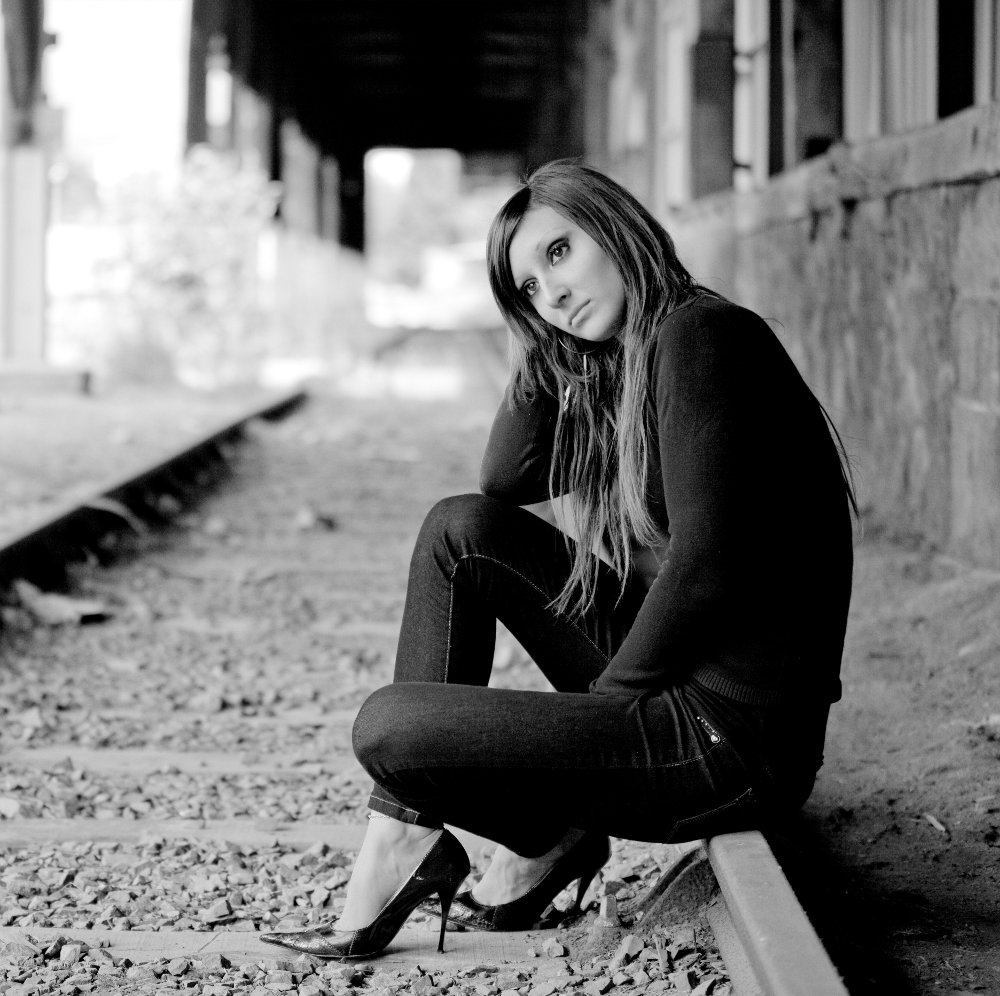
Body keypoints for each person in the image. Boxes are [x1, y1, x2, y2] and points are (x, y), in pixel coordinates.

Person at [261, 160, 856, 960]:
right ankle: (417, 838)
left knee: (389, 728)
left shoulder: (702, 337)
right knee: (458, 531)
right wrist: (543, 344)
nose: (556, 293)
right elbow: (504, 479)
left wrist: (601, 726)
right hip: (687, 692)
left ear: (614, 224)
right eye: (530, 289)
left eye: (559, 251)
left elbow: (705, 565)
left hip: (732, 742)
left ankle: (524, 837)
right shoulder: (641, 353)